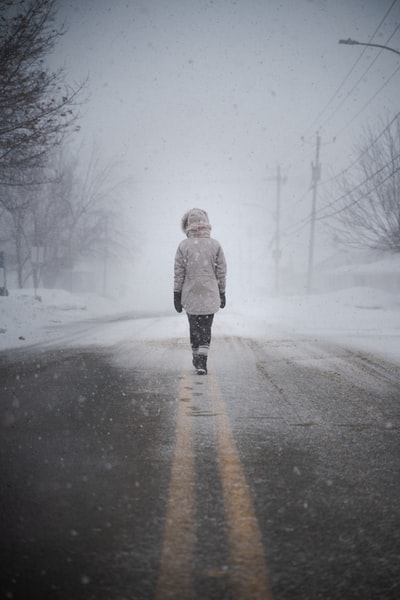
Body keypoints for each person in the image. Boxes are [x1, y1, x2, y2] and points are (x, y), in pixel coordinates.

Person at [173, 208, 227, 375]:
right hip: (210, 293)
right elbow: (221, 271)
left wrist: (177, 293)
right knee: (206, 329)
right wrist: (222, 292)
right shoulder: (215, 245)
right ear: (206, 224)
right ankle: (202, 361)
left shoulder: (183, 246)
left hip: (190, 293)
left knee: (194, 328)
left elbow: (179, 272)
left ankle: (196, 358)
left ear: (188, 225)